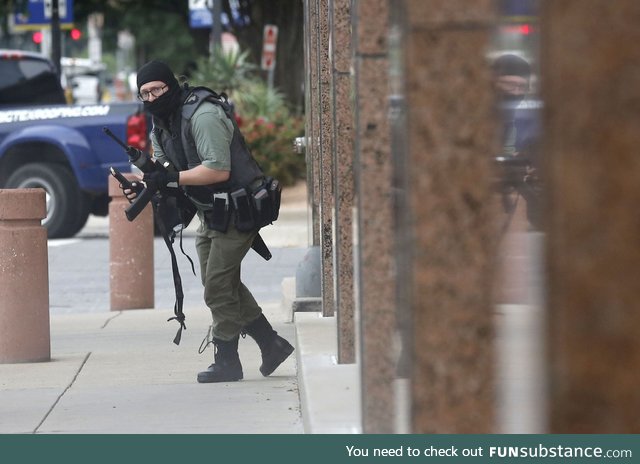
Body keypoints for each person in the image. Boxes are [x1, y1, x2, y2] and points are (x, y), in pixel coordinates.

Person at [127, 60, 294, 383]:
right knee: (220, 283)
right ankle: (271, 344)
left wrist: (170, 177)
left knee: (217, 287)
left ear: (171, 85)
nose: (151, 98)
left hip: (240, 208)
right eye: (144, 93)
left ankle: (228, 360)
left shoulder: (202, 116)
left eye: (157, 89)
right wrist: (146, 182)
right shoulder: (162, 123)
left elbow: (218, 171)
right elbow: (165, 169)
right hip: (211, 211)